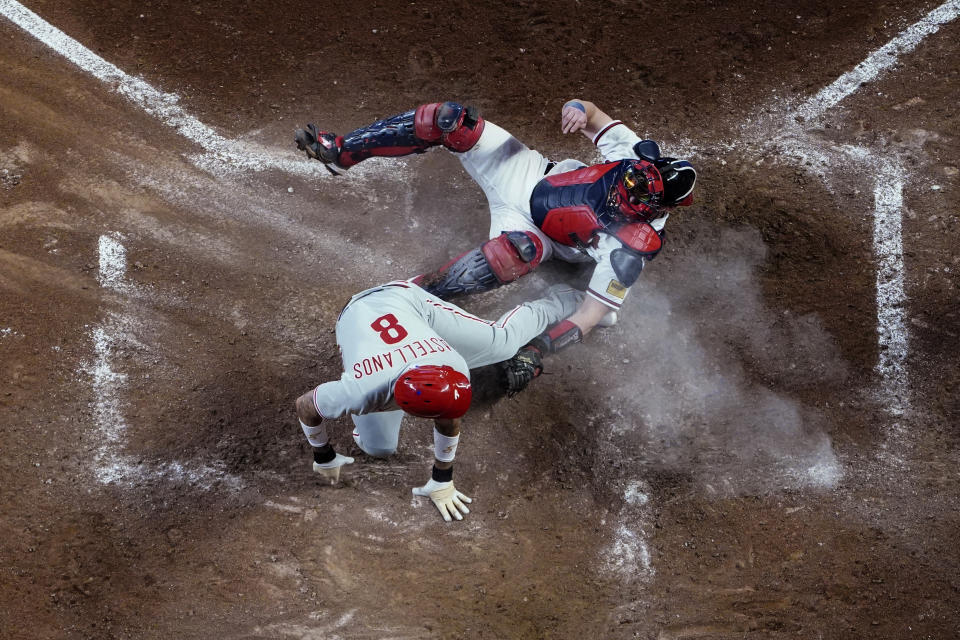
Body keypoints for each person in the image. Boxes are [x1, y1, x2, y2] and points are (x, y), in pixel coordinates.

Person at [295, 100, 697, 392]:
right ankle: (339, 152)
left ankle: (411, 297)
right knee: (449, 119)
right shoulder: (637, 157)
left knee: (512, 254)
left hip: (545, 240)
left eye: (637, 194)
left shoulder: (630, 246)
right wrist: (576, 108)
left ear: (658, 207)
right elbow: (593, 115)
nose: (627, 186)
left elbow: (593, 314)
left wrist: (537, 352)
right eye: (632, 178)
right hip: (528, 175)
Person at [294, 279, 581, 522]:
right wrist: (324, 456)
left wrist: (443, 478)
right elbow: (305, 405)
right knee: (379, 448)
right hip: (355, 313)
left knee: (503, 342)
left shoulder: (452, 364)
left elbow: (449, 415)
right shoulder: (360, 390)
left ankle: (564, 299)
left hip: (404, 301)